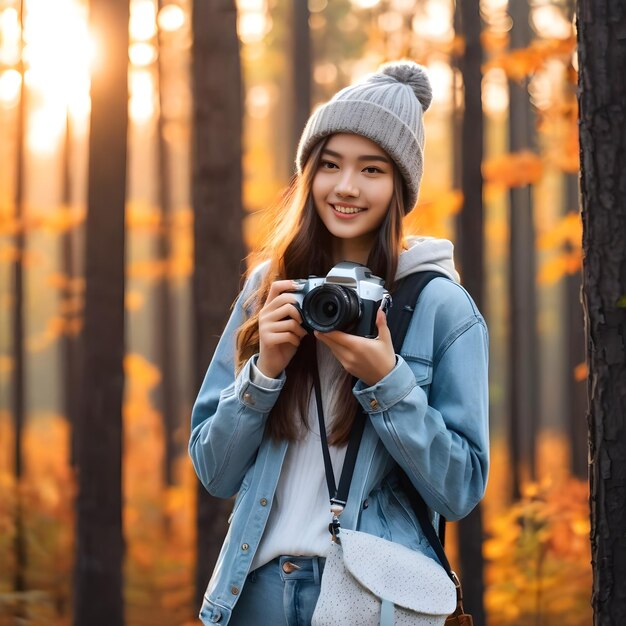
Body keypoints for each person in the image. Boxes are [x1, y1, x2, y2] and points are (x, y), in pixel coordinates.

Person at [189, 60, 489, 626]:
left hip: (369, 600)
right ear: (310, 174)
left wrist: (388, 383)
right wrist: (263, 374)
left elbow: (460, 489)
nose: (346, 187)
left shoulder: (440, 307)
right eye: (330, 165)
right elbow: (214, 469)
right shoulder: (270, 288)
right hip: (252, 590)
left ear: (400, 186)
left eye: (371, 169)